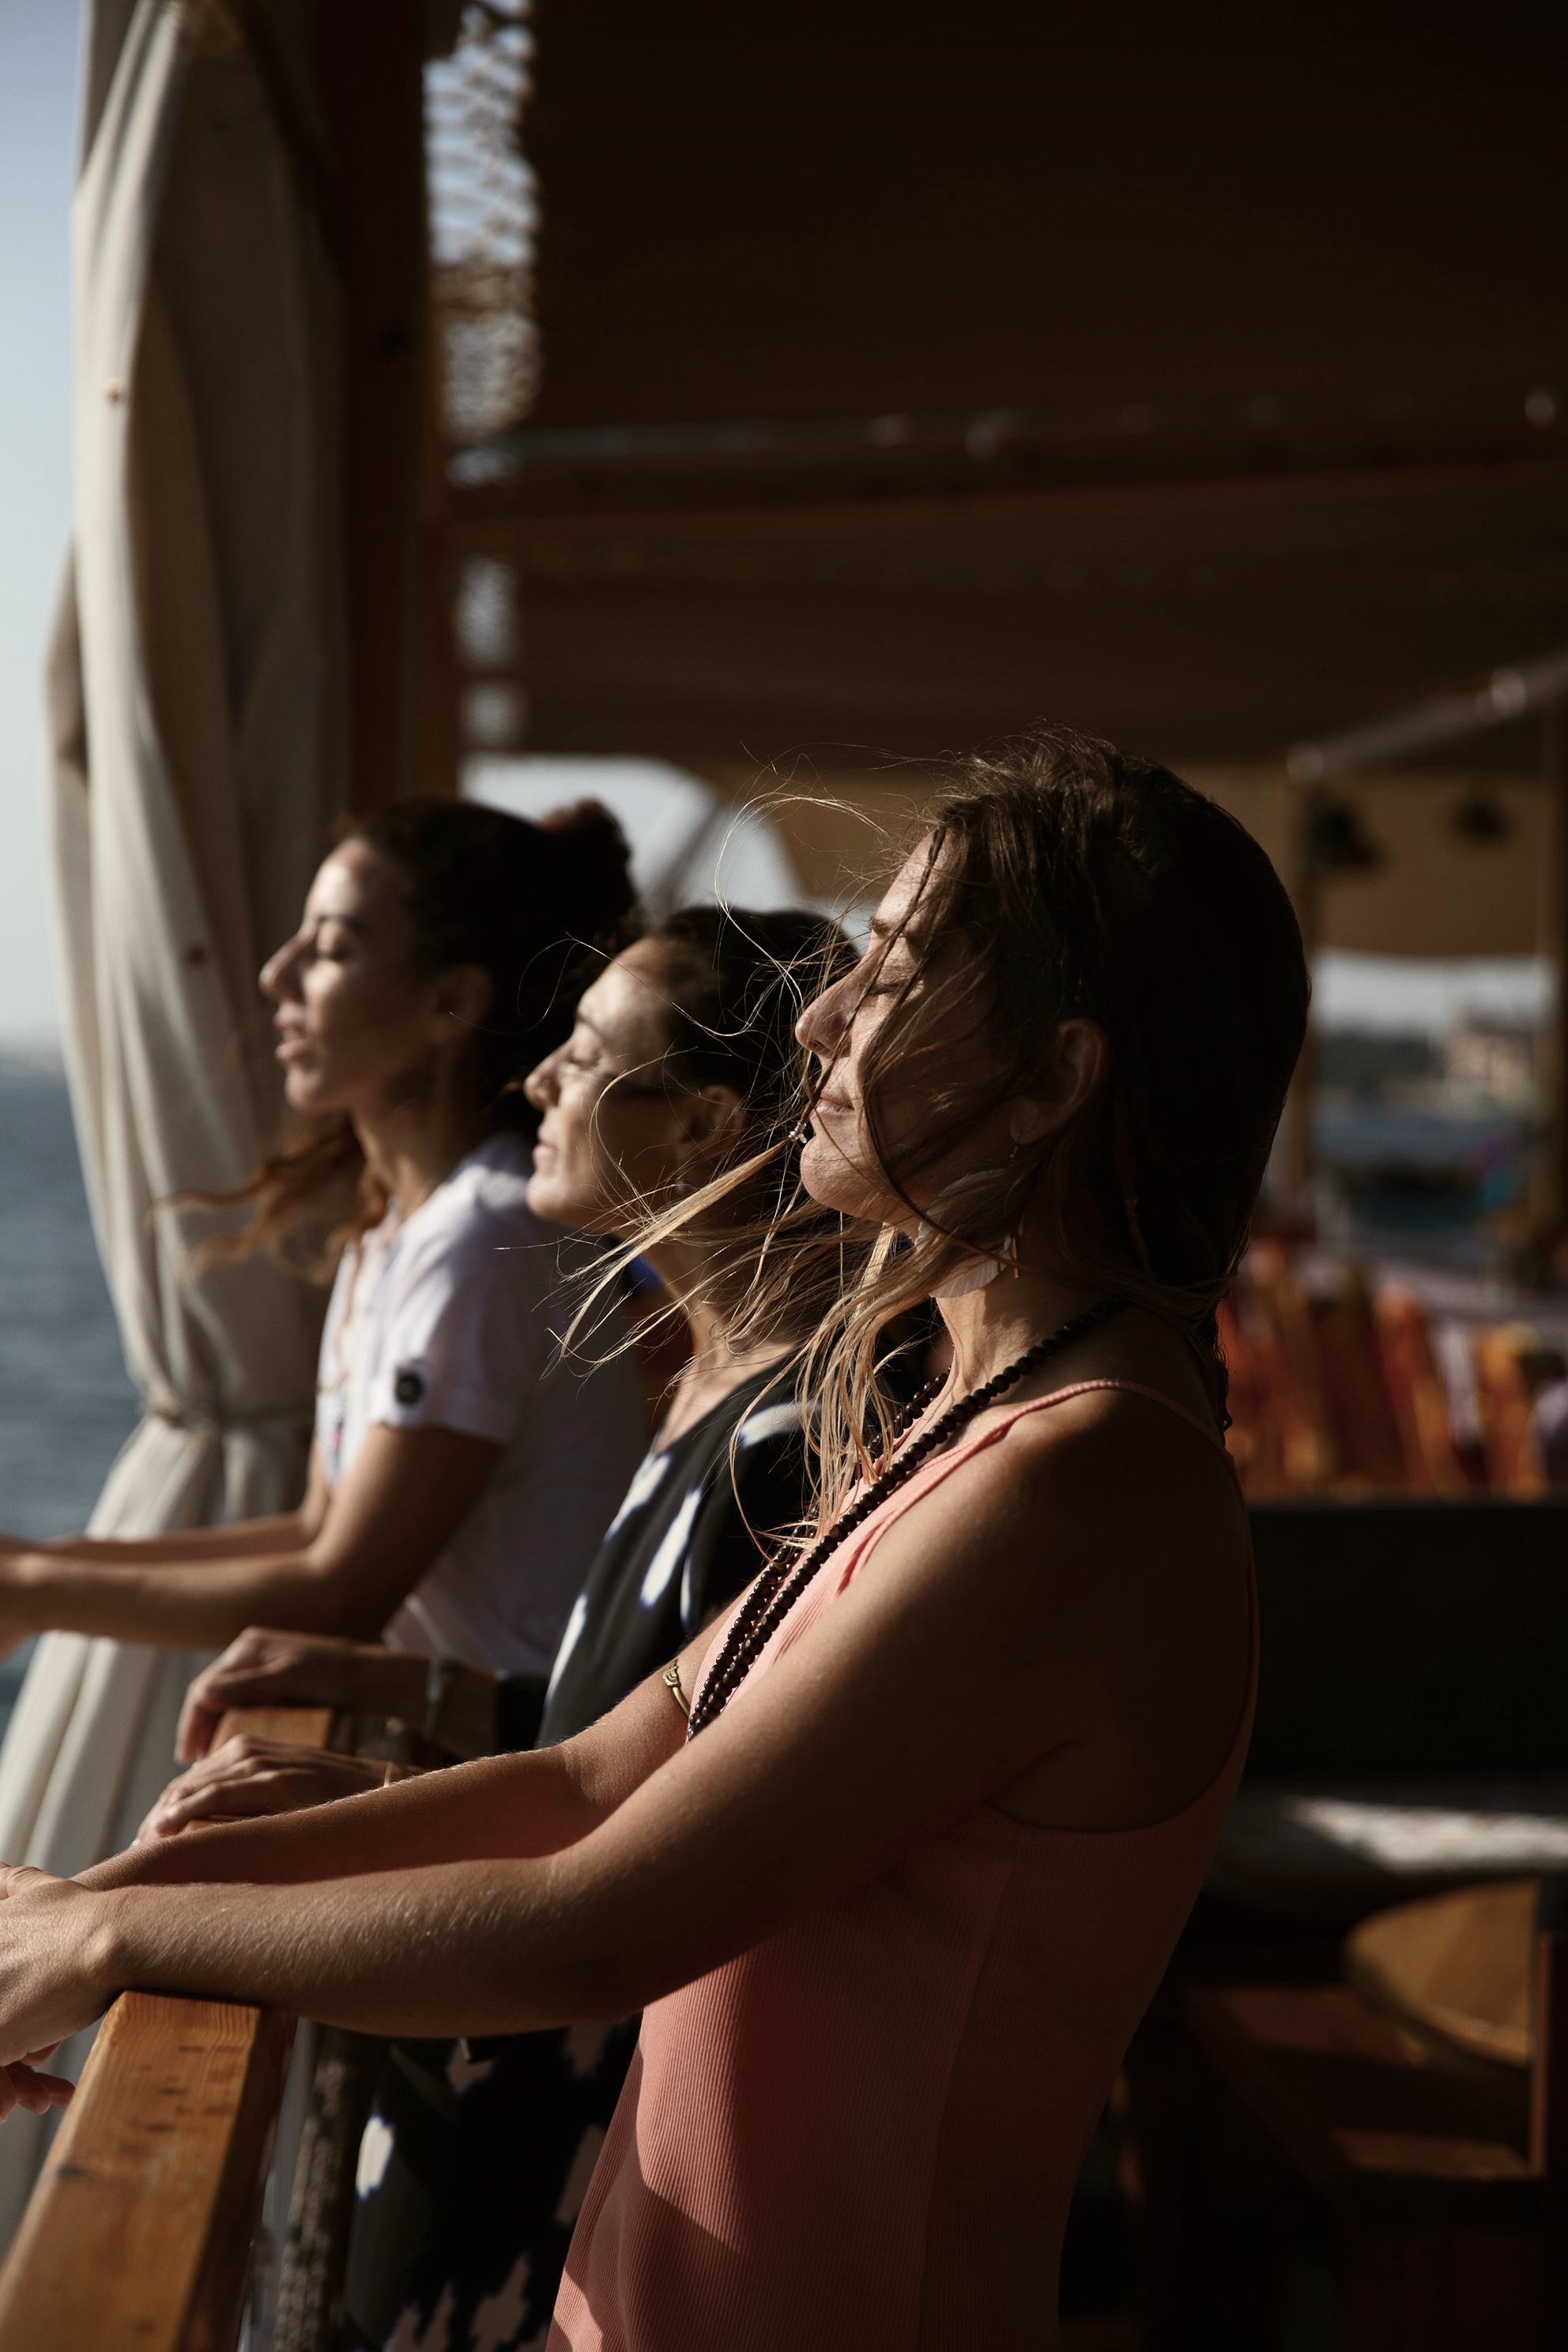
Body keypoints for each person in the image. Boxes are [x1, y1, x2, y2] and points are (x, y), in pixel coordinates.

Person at [0, 729, 1308, 2351]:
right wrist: (97, 1895)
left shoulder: (1079, 1483)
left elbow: (607, 1915)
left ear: (1052, 1077)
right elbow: (590, 1777)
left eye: (891, 973)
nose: (822, 1018)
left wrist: (117, 1935)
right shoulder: (976, 1426)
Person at [131, 904, 856, 2348]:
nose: (537, 1083)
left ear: (703, 1128)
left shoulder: (777, 1448)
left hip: (563, 2137)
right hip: (530, 2089)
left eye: (584, 1058)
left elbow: (638, 1834)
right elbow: (627, 1746)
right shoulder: (713, 1389)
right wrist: (412, 1710)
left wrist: (136, 1918)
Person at [0, 798, 647, 1678]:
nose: (278, 974)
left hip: (503, 1758)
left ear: (450, 1001)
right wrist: (43, 1564)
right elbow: (317, 1529)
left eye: (333, 950)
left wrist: (38, 1592)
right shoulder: (397, 1228)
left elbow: (341, 1594)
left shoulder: (485, 1236)